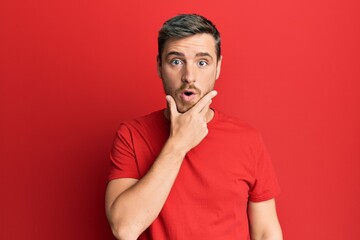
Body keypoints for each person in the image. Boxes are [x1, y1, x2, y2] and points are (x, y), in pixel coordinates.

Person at [105, 14, 282, 240]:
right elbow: (124, 228)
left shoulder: (247, 138)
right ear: (159, 66)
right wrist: (178, 144)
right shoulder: (131, 135)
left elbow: (267, 232)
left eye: (202, 62)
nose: (189, 77)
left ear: (217, 67)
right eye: (176, 61)